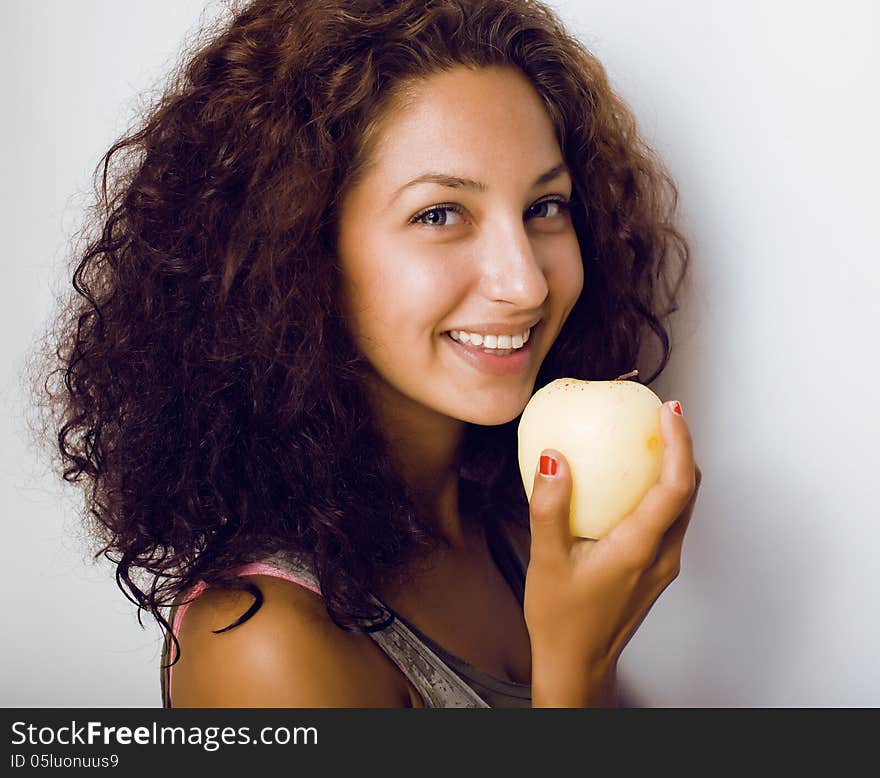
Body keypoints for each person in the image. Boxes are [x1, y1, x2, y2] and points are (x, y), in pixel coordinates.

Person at [36, 0, 701, 708]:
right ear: (298, 248)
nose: (526, 281)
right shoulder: (261, 647)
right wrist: (576, 668)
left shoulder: (513, 521)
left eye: (545, 207)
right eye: (440, 214)